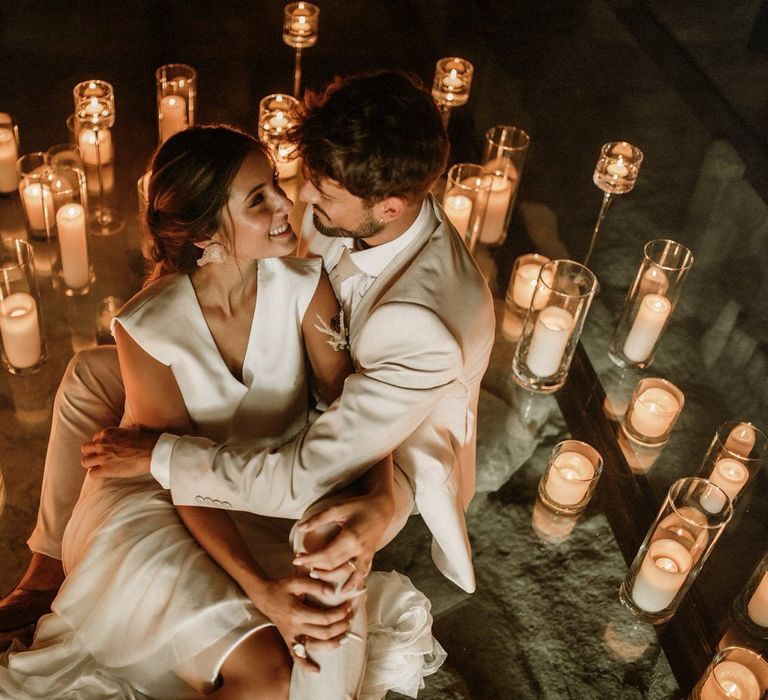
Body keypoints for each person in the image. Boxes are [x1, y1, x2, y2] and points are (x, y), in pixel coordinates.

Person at [3, 69, 495, 684]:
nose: (299, 203)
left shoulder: (418, 321)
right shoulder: (354, 206)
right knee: (88, 374)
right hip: (273, 402)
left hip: (369, 448)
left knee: (312, 620)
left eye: (316, 192)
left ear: (389, 207)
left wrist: (159, 455)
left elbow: (312, 462)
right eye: (291, 185)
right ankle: (46, 566)